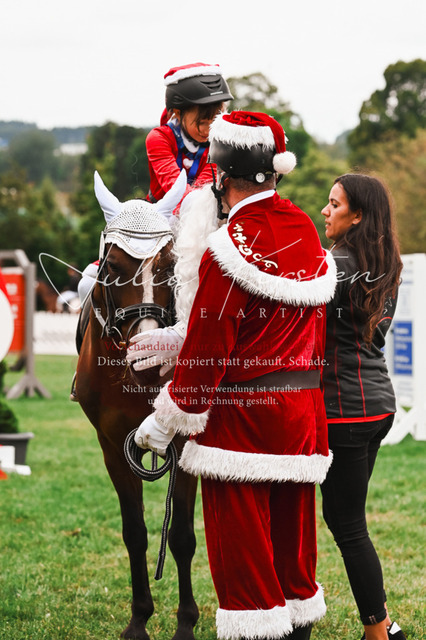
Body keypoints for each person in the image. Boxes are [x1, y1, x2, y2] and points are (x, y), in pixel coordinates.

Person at [131, 111, 338, 640]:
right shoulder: (306, 230)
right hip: (301, 419)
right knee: (292, 552)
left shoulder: (228, 247)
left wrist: (163, 422)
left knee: (243, 562)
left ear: (221, 177)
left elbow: (210, 352)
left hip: (241, 424)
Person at [320, 174, 406, 640]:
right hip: (378, 405)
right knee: (344, 519)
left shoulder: (332, 265)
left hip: (345, 411)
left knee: (349, 525)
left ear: (357, 215)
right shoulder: (387, 263)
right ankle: (383, 623)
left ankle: (379, 631)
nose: (325, 210)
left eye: (334, 204)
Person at [146, 61, 233, 203]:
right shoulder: (159, 138)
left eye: (214, 121)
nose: (208, 130)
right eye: (202, 122)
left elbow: (204, 188)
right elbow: (174, 188)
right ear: (177, 113)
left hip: (203, 209)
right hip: (160, 211)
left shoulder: (220, 141)